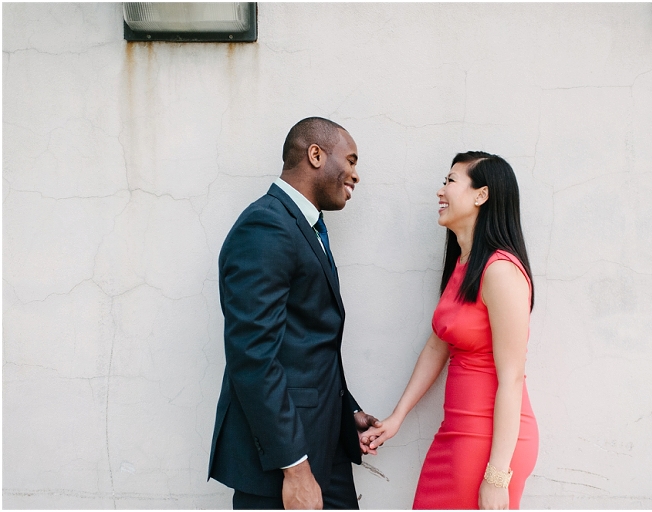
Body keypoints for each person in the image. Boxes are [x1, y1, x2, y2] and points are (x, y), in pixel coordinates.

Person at [208, 117, 381, 510]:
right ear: (315, 155)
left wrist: (345, 410)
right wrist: (295, 468)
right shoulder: (266, 226)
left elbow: (304, 344)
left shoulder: (307, 227)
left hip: (324, 445)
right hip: (283, 462)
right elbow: (253, 358)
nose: (356, 174)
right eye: (351, 160)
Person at [361, 151, 539, 510]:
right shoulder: (463, 263)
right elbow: (437, 346)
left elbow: (512, 379)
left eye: (450, 181)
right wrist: (398, 417)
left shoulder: (501, 271)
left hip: (488, 443)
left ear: (481, 195)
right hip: (457, 435)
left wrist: (496, 476)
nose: (440, 191)